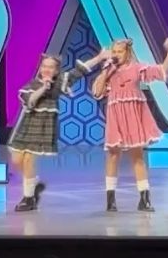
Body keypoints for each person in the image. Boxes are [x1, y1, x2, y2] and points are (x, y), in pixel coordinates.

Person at [7, 49, 110, 211]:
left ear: (56, 70)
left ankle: (28, 198)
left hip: (43, 126)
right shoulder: (32, 84)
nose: (46, 69)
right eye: (44, 66)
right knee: (16, 160)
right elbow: (30, 101)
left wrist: (99, 57)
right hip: (27, 125)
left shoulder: (59, 83)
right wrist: (43, 87)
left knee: (28, 159)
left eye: (50, 67)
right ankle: (33, 183)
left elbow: (80, 71)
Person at [92, 37, 168, 212]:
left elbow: (162, 72)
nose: (116, 55)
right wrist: (105, 71)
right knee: (113, 155)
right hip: (116, 116)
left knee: (137, 156)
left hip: (133, 116)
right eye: (114, 52)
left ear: (127, 53)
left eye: (120, 51)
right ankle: (110, 200)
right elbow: (97, 93)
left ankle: (145, 199)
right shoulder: (109, 70)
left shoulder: (137, 68)